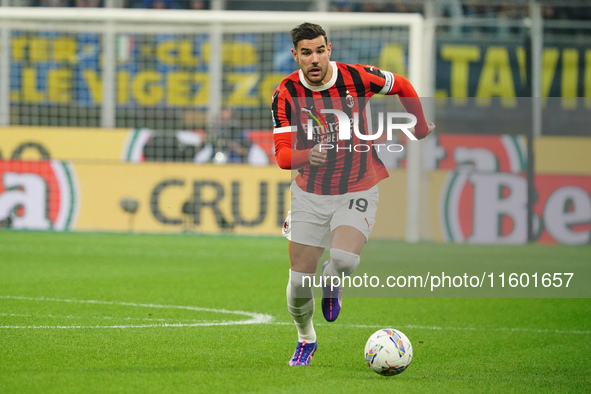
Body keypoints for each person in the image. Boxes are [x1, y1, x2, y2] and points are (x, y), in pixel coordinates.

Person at [271, 22, 434, 367]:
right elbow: (283, 156)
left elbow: (401, 84)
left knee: (343, 260)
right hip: (310, 193)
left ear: (329, 49)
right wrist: (306, 155)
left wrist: (419, 126)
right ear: (295, 55)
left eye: (319, 50)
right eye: (306, 52)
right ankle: (306, 338)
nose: (314, 59)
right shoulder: (285, 93)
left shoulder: (357, 78)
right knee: (300, 282)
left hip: (357, 183)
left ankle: (333, 282)